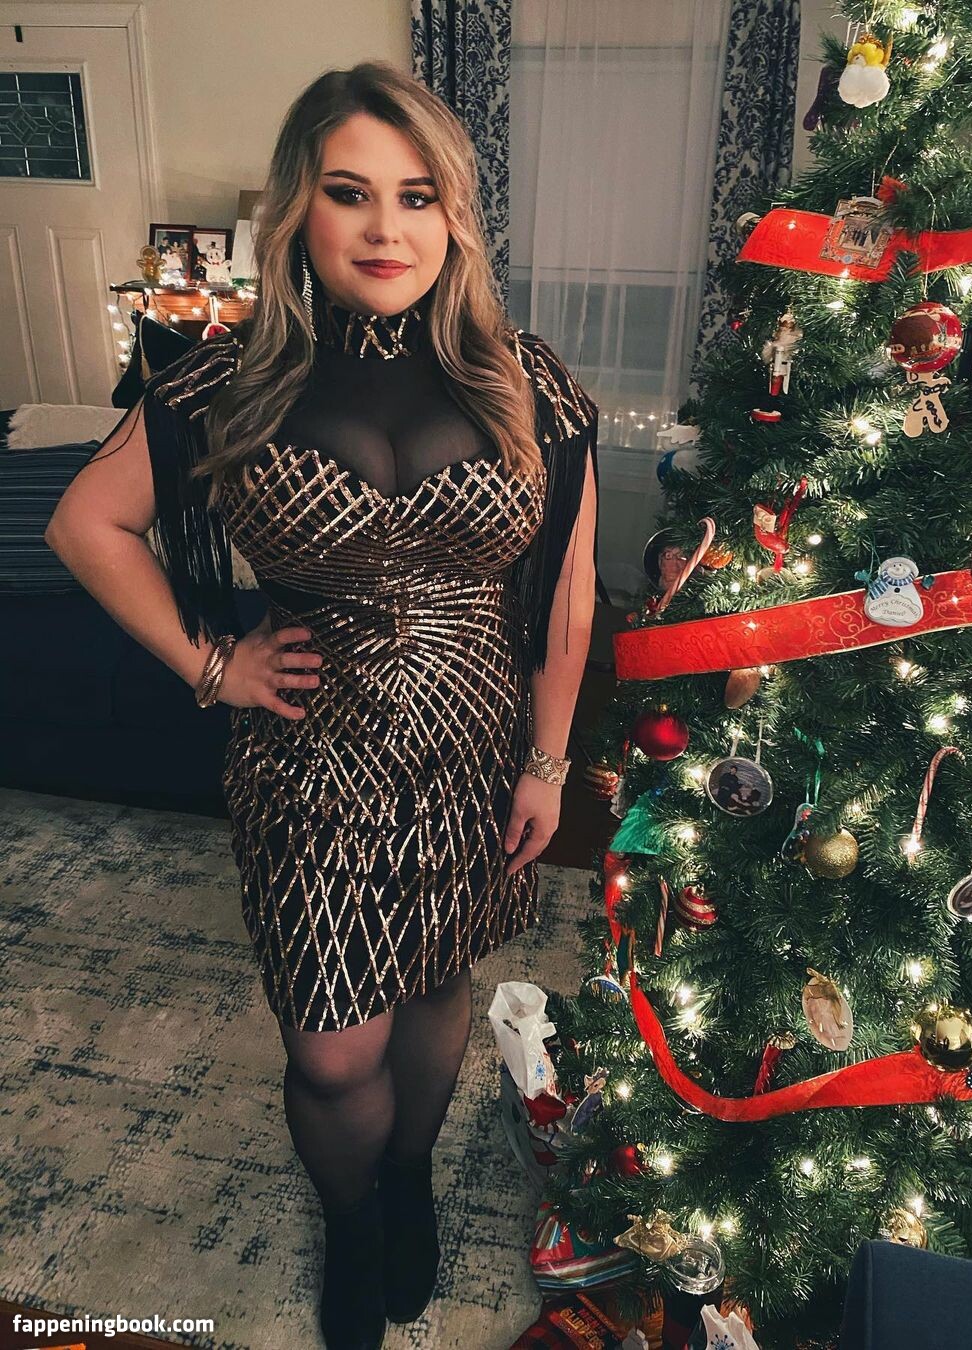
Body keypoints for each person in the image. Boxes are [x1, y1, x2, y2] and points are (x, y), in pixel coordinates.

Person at [45, 60, 598, 1350]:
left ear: (454, 217)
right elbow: (87, 524)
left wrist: (550, 763)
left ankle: (407, 1184)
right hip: (312, 764)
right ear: (299, 209)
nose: (386, 228)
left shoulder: (526, 380)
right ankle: (352, 1219)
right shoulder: (222, 381)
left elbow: (566, 592)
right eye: (350, 193)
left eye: (417, 196)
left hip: (473, 752)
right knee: (333, 1050)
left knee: (438, 982)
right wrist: (213, 664)